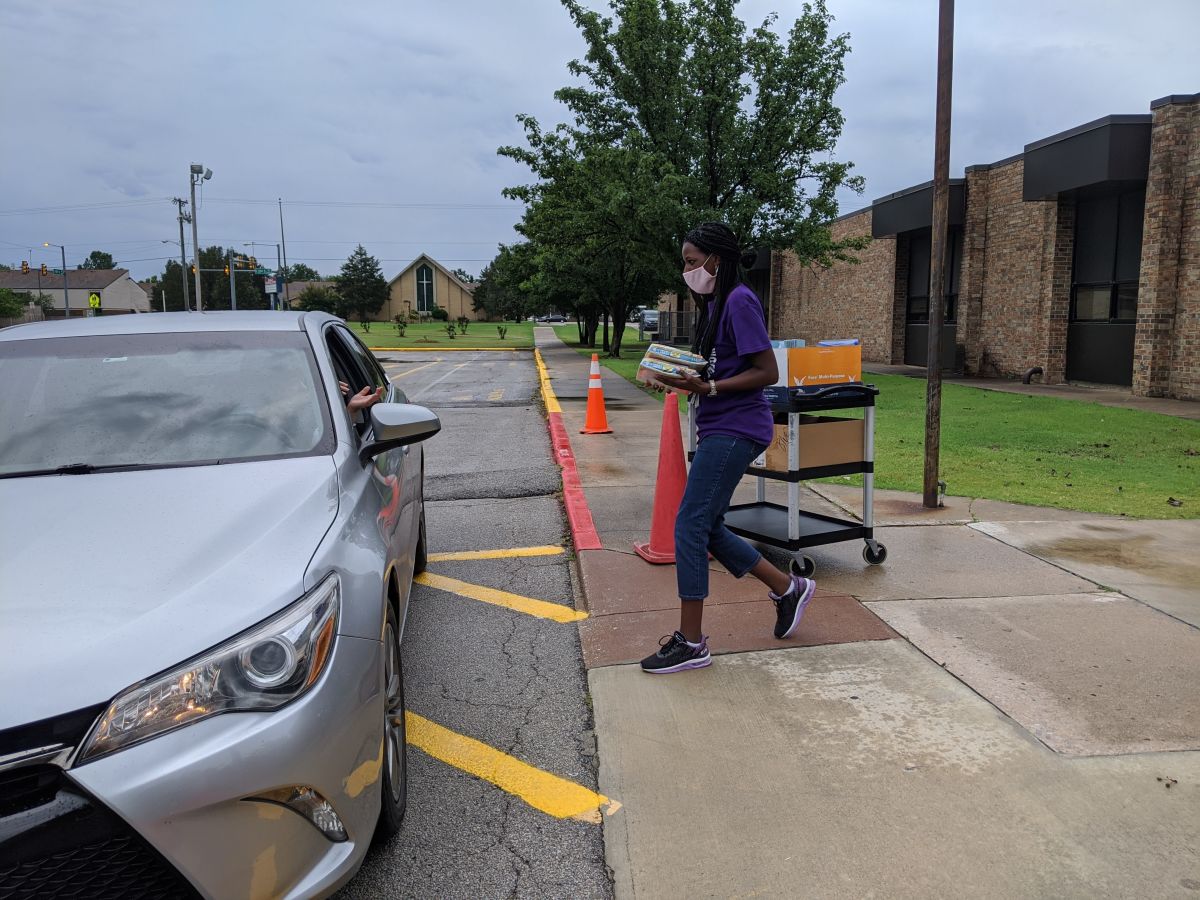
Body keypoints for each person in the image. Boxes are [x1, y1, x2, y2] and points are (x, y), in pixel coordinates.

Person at [642, 222, 815, 674]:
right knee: (709, 525)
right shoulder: (717, 303)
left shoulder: (739, 301)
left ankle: (692, 642)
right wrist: (677, 377)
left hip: (738, 426)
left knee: (689, 524)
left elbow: (766, 370)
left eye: (693, 261)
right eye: (685, 261)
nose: (688, 270)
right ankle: (787, 587)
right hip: (721, 423)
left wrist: (712, 386)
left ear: (717, 260)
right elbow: (715, 368)